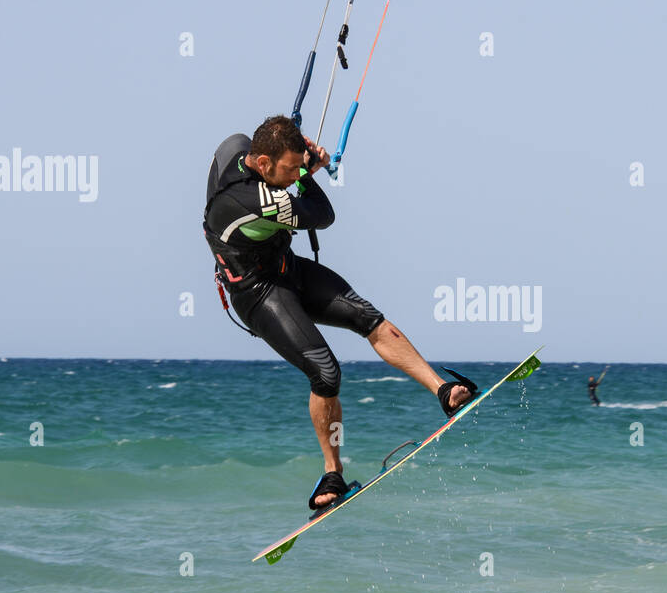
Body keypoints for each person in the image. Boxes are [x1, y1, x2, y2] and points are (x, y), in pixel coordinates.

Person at [203, 116, 477, 516]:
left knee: (368, 317)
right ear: (262, 164)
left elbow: (260, 143)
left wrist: (296, 152)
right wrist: (308, 176)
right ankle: (331, 473)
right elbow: (322, 214)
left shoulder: (238, 146)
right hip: (258, 292)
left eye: (297, 165)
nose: (294, 172)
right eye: (288, 168)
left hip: (286, 267)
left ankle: (444, 392)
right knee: (325, 372)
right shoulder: (248, 199)